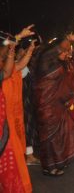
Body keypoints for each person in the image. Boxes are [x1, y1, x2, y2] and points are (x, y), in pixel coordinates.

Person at [35, 38, 74, 176]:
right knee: (49, 137)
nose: (65, 53)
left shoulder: (58, 63)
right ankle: (49, 167)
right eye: (62, 51)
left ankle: (59, 161)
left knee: (62, 134)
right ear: (53, 52)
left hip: (57, 105)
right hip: (46, 105)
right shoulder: (44, 64)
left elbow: (68, 81)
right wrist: (67, 39)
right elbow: (49, 86)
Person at [0, 25, 34, 193]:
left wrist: (29, 50)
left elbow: (19, 66)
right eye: (6, 49)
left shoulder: (6, 66)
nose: (8, 51)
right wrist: (17, 38)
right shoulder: (3, 68)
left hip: (10, 119)